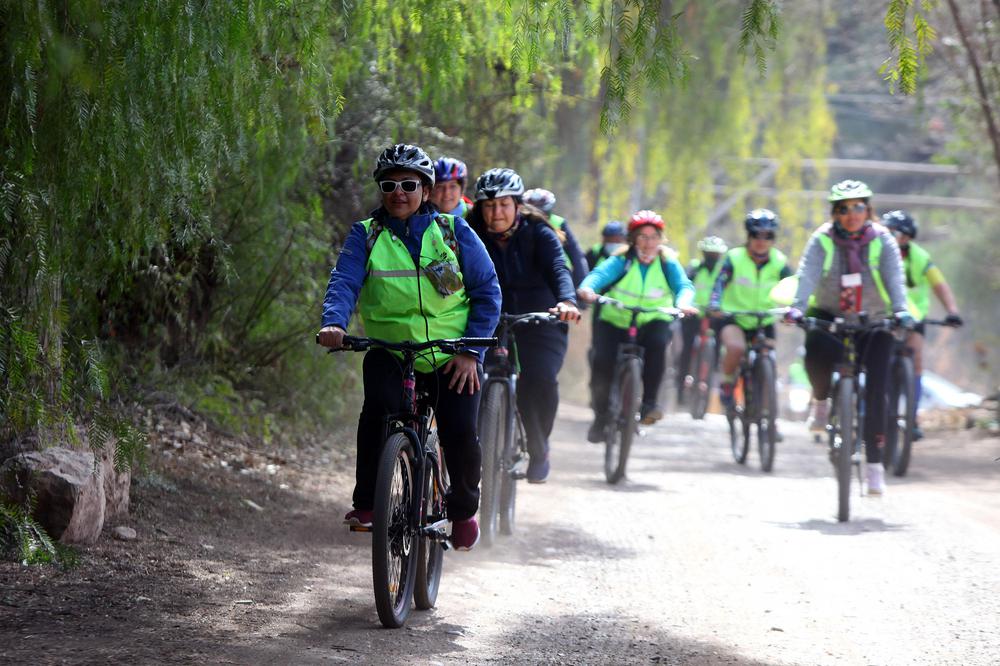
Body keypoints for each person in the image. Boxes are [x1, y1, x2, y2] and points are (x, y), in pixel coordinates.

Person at [318, 144, 501, 550]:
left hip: (452, 354)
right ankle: (368, 503)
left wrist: (471, 352)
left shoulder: (453, 232)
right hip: (390, 349)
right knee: (377, 413)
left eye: (408, 184)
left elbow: (487, 290)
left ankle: (464, 509)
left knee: (459, 431)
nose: (398, 192)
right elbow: (344, 282)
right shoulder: (366, 235)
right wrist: (334, 322)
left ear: (426, 190)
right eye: (389, 184)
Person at [784, 180, 911, 495]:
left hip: (875, 318)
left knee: (878, 391)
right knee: (814, 350)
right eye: (844, 208)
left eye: (858, 207)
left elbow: (895, 278)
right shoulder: (822, 239)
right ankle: (823, 402)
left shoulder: (883, 240)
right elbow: (808, 274)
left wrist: (901, 310)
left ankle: (874, 467)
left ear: (868, 209)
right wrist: (797, 308)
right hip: (830, 313)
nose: (852, 214)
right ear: (835, 213)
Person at [467, 168, 581, 483]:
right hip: (487, 313)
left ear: (518, 205)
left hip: (541, 312)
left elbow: (559, 268)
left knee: (540, 378)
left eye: (504, 204)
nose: (496, 213)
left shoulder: (538, 231)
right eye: (489, 206)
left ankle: (539, 445)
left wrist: (567, 302)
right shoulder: (469, 230)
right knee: (468, 375)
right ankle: (472, 446)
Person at [577, 210, 697, 440]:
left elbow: (683, 285)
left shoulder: (666, 262)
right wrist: (587, 288)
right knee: (602, 363)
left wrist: (683, 303)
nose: (648, 242)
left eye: (654, 237)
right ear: (632, 238)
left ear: (661, 239)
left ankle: (649, 403)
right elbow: (599, 275)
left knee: (658, 345)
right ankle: (601, 416)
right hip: (615, 318)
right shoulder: (622, 259)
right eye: (643, 236)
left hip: (653, 318)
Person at [882, 209, 964, 439]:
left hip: (913, 317)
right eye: (887, 232)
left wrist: (952, 311)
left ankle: (912, 415)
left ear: (908, 237)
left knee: (916, 358)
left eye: (896, 233)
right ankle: (867, 408)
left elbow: (940, 285)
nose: (892, 237)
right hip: (884, 315)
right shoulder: (876, 254)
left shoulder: (920, 257)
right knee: (876, 358)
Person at [708, 211, 793, 409]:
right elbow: (719, 283)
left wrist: (794, 309)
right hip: (734, 318)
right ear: (749, 236)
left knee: (768, 359)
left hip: (764, 320)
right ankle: (727, 382)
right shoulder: (734, 258)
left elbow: (792, 286)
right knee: (736, 348)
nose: (762, 241)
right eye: (757, 235)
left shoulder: (780, 261)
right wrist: (715, 303)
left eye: (768, 236)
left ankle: (769, 416)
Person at [675, 235, 728, 405]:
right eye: (709, 254)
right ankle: (681, 385)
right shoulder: (695, 268)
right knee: (687, 347)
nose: (712, 257)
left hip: (716, 315)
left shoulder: (725, 270)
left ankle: (714, 373)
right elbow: (684, 285)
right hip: (693, 314)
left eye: (716, 254)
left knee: (720, 343)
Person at [522, 188, 590, 287]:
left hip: (556, 278)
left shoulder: (559, 223)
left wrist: (581, 285)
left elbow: (576, 255)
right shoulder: (518, 225)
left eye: (542, 212)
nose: (537, 216)